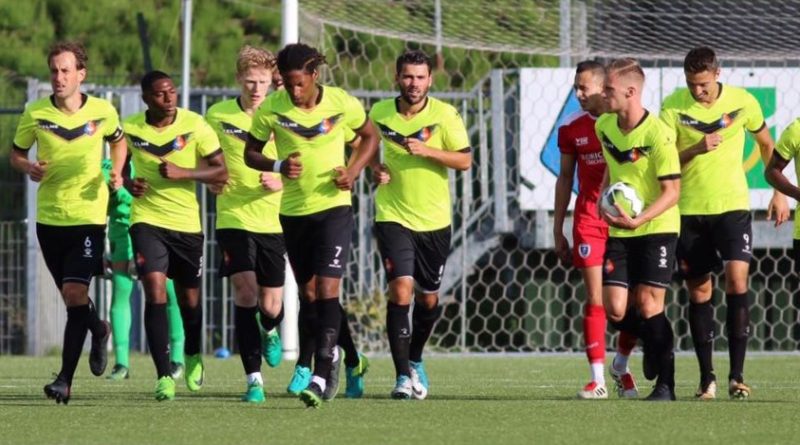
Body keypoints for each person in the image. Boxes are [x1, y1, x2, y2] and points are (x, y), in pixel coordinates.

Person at [244, 43, 379, 408]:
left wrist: (353, 171)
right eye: (286, 83)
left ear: (314, 76)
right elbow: (250, 153)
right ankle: (351, 358)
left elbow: (370, 137)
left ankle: (322, 372)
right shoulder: (272, 108)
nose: (292, 89)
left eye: (298, 82)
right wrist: (277, 166)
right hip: (293, 211)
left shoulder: (340, 102)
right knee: (311, 296)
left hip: (334, 209)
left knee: (328, 289)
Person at [660, 47, 789, 399]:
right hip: (689, 209)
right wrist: (696, 149)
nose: (697, 91)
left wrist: (779, 193)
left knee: (737, 280)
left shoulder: (743, 102)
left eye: (702, 84)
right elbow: (665, 159)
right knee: (700, 291)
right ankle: (707, 379)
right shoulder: (672, 106)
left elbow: (766, 145)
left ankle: (737, 376)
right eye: (691, 84)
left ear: (717, 74)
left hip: (733, 206)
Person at [10, 41, 127, 404]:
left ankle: (64, 380)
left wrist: (117, 173)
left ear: (81, 74)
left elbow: (119, 142)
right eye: (54, 71)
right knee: (72, 296)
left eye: (65, 71)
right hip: (49, 218)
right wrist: (28, 166)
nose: (59, 78)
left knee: (75, 293)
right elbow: (16, 152)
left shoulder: (103, 111)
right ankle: (99, 328)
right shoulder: (35, 112)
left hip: (88, 216)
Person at [367, 50, 470, 399]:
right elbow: (364, 150)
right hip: (393, 215)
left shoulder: (444, 115)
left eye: (420, 77)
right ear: (397, 77)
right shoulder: (380, 113)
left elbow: (465, 159)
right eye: (408, 76)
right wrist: (374, 170)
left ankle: (415, 358)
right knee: (400, 289)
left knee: (428, 301)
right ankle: (400, 378)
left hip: (434, 221)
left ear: (430, 80)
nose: (414, 83)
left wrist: (429, 151)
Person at [125, 70, 228, 401]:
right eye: (160, 94)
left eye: (172, 92)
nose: (168, 98)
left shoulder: (195, 124)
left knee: (189, 301)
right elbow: (116, 168)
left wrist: (186, 173)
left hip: (186, 225)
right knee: (155, 290)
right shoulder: (130, 129)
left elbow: (221, 170)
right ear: (146, 99)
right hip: (146, 220)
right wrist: (129, 184)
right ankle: (163, 375)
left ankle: (194, 353)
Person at [553, 60, 638, 399]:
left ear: (604, 88)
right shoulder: (572, 128)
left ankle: (622, 363)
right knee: (595, 297)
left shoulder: (625, 123)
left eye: (583, 88)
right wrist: (558, 227)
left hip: (627, 222)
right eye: (575, 87)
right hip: (589, 219)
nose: (578, 94)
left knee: (628, 306)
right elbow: (564, 178)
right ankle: (597, 379)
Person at [205, 45, 286, 403]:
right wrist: (209, 180)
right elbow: (204, 158)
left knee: (270, 306)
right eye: (250, 81)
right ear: (239, 78)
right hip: (233, 215)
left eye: (263, 81)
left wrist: (282, 180)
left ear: (272, 82)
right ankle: (253, 379)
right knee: (245, 292)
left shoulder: (282, 116)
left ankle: (270, 329)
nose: (256, 88)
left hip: (274, 218)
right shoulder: (217, 114)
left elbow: (308, 162)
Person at [597, 58, 681, 401]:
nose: (604, 94)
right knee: (616, 310)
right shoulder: (603, 125)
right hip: (620, 228)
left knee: (649, 304)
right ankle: (651, 338)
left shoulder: (658, 133)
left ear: (630, 92)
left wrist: (640, 218)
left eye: (609, 89)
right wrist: (604, 203)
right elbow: (611, 170)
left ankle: (666, 384)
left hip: (657, 227)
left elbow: (672, 192)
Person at [102, 158, 187, 381]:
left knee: (168, 292)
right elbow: (99, 203)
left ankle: (177, 358)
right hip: (121, 233)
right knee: (121, 292)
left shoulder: (151, 160)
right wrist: (111, 191)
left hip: (154, 231)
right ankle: (121, 363)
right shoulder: (108, 167)